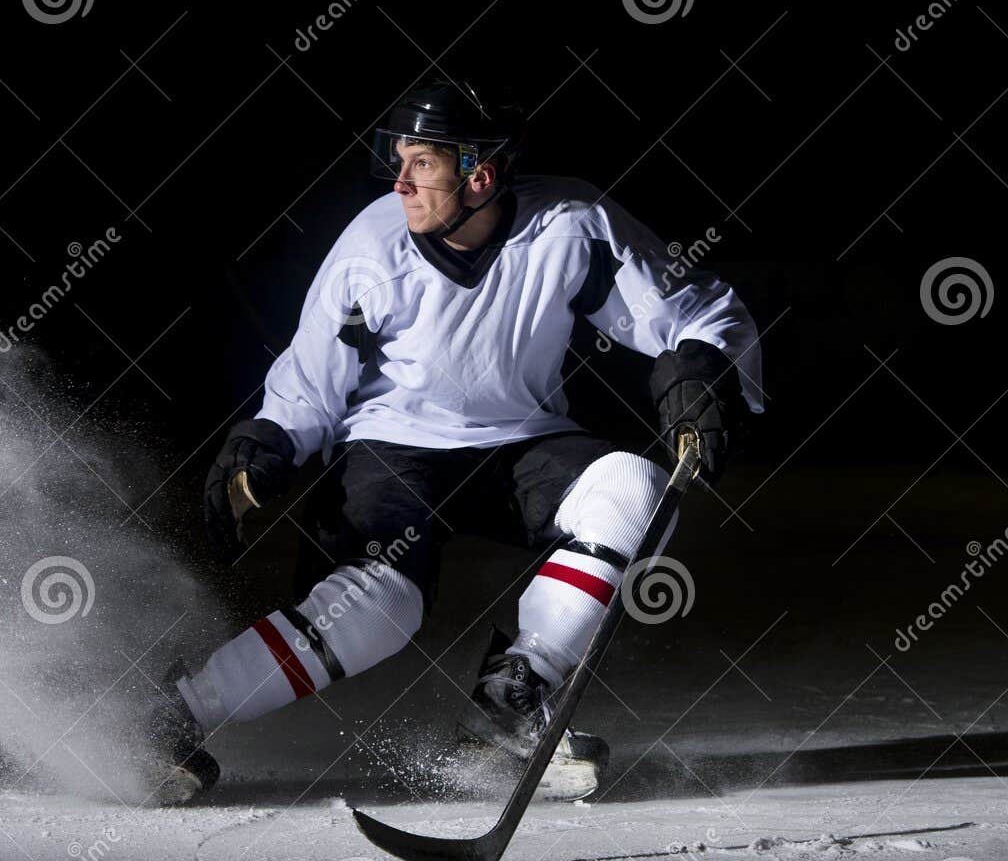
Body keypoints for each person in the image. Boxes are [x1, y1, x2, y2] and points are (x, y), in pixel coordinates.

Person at [145, 79, 762, 805]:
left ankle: (507, 702)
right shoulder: (373, 247)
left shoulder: (570, 225)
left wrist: (700, 368)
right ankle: (175, 714)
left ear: (482, 175)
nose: (399, 181)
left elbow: (695, 309)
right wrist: (270, 436)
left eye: (422, 164)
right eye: (396, 159)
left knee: (634, 489)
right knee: (376, 610)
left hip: (521, 445)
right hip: (391, 451)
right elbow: (312, 377)